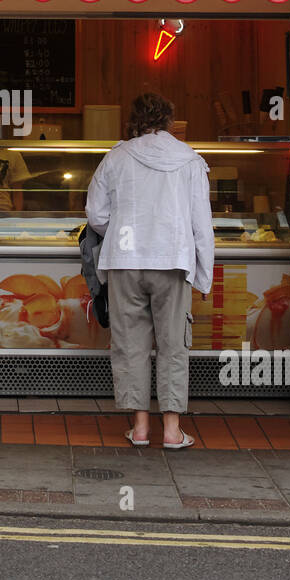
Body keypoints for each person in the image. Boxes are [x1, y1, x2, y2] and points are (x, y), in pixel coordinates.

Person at [85, 92, 214, 450]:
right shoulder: (190, 161)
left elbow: (95, 215)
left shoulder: (116, 157)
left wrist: (124, 226)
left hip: (125, 261)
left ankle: (140, 427)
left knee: (130, 344)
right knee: (173, 345)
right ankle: (172, 431)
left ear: (134, 120)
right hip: (172, 261)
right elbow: (202, 225)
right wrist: (204, 276)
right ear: (170, 122)